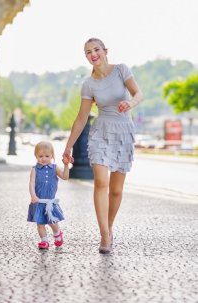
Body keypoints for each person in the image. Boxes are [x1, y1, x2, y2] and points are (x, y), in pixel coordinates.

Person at [62, 38, 144, 254]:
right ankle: (105, 236)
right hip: (100, 133)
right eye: (88, 52)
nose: (93, 54)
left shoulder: (121, 70)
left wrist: (131, 103)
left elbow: (138, 93)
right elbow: (81, 118)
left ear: (105, 51)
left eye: (96, 49)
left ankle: (110, 226)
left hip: (123, 132)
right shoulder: (89, 84)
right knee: (101, 182)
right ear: (86, 57)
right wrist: (68, 147)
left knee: (116, 191)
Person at [27, 141, 70, 249]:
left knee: (52, 222)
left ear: (52, 156)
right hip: (38, 201)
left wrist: (66, 165)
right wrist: (33, 195)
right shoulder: (34, 169)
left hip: (50, 202)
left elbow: (65, 177)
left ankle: (57, 234)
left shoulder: (54, 168)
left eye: (47, 156)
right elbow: (31, 184)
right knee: (40, 223)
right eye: (40, 156)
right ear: (36, 156)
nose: (44, 158)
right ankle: (44, 241)